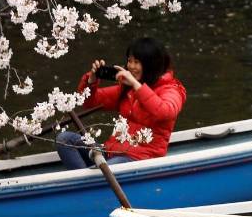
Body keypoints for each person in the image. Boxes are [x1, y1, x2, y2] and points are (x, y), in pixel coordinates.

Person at [56, 37, 186, 169]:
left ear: (151, 65)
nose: (131, 66)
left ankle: (89, 183)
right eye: (129, 61)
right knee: (64, 139)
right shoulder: (127, 89)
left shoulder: (171, 89)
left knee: (106, 169)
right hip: (111, 152)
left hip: (140, 158)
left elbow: (166, 112)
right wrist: (91, 81)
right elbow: (90, 102)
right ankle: (87, 183)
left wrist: (137, 86)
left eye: (137, 62)